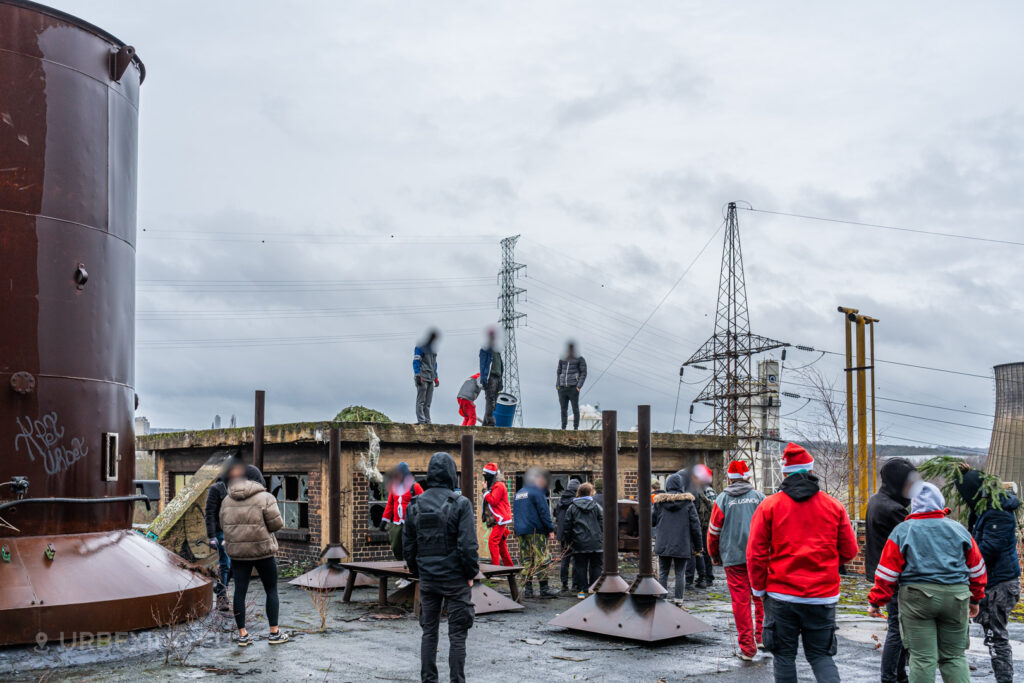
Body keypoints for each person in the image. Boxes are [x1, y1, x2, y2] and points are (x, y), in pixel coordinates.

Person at [747, 443, 858, 683]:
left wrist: (758, 589)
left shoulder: (769, 505)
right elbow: (849, 551)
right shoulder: (834, 506)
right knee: (821, 656)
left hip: (781, 595)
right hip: (822, 596)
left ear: (784, 472)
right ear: (810, 470)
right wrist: (826, 564)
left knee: (784, 657)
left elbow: (755, 553)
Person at [868, 483, 987, 683]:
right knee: (954, 656)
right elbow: (977, 569)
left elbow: (887, 573)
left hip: (917, 598)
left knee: (923, 658)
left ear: (914, 504)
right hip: (956, 597)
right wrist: (975, 599)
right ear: (940, 503)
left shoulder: (902, 531)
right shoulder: (958, 530)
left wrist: (876, 601)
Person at [404, 452, 479, 683]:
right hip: (456, 580)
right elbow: (468, 546)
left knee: (429, 632)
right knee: (457, 635)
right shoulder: (461, 503)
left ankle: (429, 680)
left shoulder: (415, 505)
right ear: (450, 473)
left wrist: (418, 573)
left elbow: (409, 546)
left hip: (428, 579)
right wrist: (470, 574)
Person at [218, 459, 288, 646]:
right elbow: (276, 525)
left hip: (238, 554)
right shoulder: (265, 498)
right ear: (258, 480)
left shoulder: (226, 500)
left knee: (239, 592)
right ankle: (274, 633)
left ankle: (243, 635)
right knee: (271, 590)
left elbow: (223, 526)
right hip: (263, 551)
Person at [865, 457, 918, 683]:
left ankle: (898, 674)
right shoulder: (893, 509)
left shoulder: (878, 500)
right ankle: (891, 677)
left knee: (897, 627)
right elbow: (911, 544)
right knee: (898, 630)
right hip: (895, 577)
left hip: (885, 573)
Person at [707, 459, 766, 660]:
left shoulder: (722, 499)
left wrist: (714, 555)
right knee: (761, 598)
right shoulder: (760, 498)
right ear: (748, 476)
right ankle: (762, 636)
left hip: (733, 558)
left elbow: (713, 531)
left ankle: (748, 649)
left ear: (729, 479)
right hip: (758, 558)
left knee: (740, 602)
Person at [971, 480, 1020, 683]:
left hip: (999, 584)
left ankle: (1005, 679)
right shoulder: (992, 511)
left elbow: (988, 550)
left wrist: (966, 561)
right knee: (993, 634)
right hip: (996, 582)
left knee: (995, 636)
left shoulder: (997, 514)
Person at [204, 460, 267, 612]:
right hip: (221, 531)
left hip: (235, 530)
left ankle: (220, 587)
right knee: (225, 562)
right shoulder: (217, 489)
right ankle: (221, 597)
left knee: (234, 563)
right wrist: (212, 536)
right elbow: (210, 513)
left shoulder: (240, 488)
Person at [652, 471, 703, 602]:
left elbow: (652, 521)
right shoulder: (688, 503)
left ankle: (662, 600)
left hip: (663, 543)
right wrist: (698, 546)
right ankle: (679, 601)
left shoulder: (659, 503)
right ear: (681, 486)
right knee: (680, 574)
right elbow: (695, 526)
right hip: (682, 543)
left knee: (663, 572)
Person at [513, 467, 557, 598]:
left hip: (521, 531)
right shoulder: (537, 493)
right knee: (541, 559)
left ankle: (528, 590)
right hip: (536, 531)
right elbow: (544, 512)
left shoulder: (518, 493)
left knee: (526, 560)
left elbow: (516, 514)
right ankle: (544, 589)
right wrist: (550, 529)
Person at [676, 463, 714, 589]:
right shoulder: (699, 488)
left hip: (694, 525)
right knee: (700, 552)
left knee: (694, 552)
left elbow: (693, 510)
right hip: (701, 525)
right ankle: (704, 578)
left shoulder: (689, 489)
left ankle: (691, 580)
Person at [563, 482, 603, 598]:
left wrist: (569, 541)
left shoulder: (572, 507)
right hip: (596, 542)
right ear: (591, 492)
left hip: (579, 542)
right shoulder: (596, 506)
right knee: (596, 566)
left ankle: (581, 592)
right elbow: (602, 523)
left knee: (580, 567)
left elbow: (567, 526)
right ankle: (593, 591)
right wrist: (600, 536)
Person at [379, 462, 423, 560]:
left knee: (411, 547)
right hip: (397, 522)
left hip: (411, 523)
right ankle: (400, 567)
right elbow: (390, 505)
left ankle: (411, 567)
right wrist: (384, 521)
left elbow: (423, 502)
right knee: (396, 546)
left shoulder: (415, 487)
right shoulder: (394, 488)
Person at [481, 462, 513, 566]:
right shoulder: (494, 484)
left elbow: (493, 501)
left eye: (484, 473)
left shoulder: (498, 485)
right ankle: (509, 567)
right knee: (501, 545)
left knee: (492, 542)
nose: (483, 475)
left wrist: (485, 491)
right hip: (497, 519)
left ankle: (496, 570)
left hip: (500, 519)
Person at [555, 478, 581, 593]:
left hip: (563, 536)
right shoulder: (577, 501)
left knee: (565, 560)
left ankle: (564, 584)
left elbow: (555, 515)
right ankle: (575, 584)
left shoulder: (561, 501)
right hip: (574, 534)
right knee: (576, 560)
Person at [555, 342, 587, 430]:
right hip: (562, 388)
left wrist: (579, 386)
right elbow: (559, 372)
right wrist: (558, 385)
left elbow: (583, 373)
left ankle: (575, 428)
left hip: (573, 388)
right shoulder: (562, 359)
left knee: (575, 409)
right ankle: (563, 428)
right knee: (563, 409)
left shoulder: (580, 359)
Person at [413, 329, 440, 425]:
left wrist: (436, 377)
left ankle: (427, 421)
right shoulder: (420, 347)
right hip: (422, 377)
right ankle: (421, 420)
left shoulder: (433, 351)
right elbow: (416, 361)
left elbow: (434, 364)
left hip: (431, 378)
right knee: (421, 401)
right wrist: (417, 375)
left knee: (428, 402)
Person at [479, 328, 504, 426]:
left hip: (498, 378)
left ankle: (485, 423)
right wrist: (483, 379)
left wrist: (501, 379)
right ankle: (490, 421)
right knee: (490, 399)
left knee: (494, 400)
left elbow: (501, 366)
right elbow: (482, 365)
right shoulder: (485, 350)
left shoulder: (497, 352)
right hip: (491, 377)